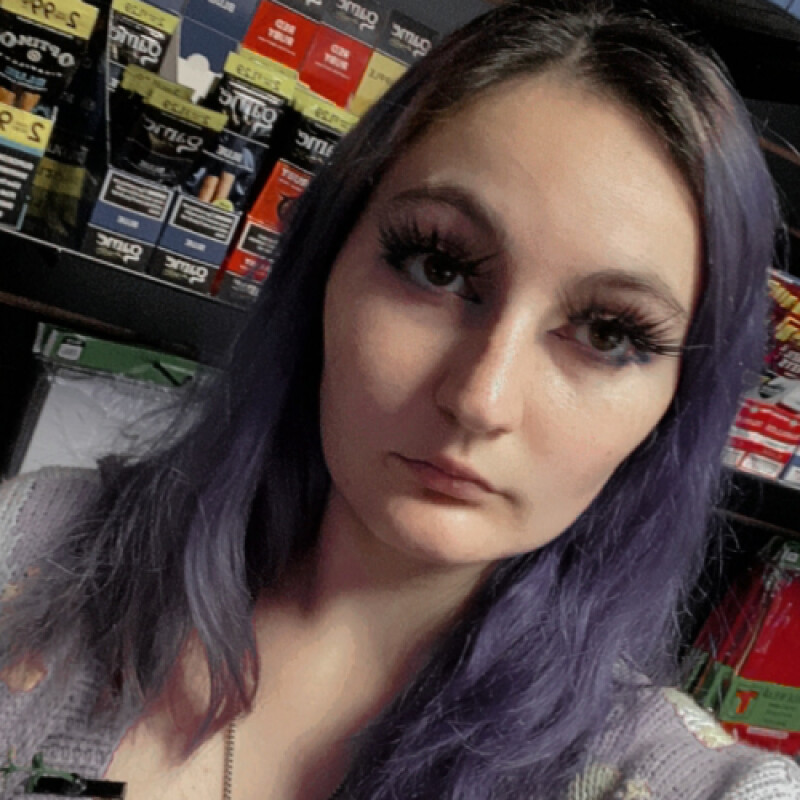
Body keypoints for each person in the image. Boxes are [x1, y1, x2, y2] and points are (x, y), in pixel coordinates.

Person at [2, 1, 800, 798]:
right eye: (437, 268)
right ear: (327, 264)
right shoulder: (26, 553)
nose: (482, 399)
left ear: (675, 406)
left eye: (608, 333)